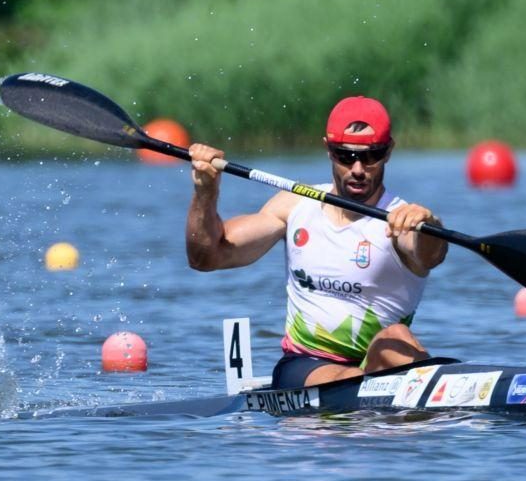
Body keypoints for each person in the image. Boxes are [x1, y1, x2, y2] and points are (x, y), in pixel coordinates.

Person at [185, 96, 447, 389]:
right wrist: (205, 191)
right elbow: (206, 257)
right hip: (304, 367)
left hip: (378, 364)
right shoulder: (295, 206)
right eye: (345, 156)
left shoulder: (401, 221)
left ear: (388, 152)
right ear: (328, 150)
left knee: (396, 336)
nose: (358, 168)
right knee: (358, 377)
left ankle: (432, 388)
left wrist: (429, 225)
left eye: (371, 156)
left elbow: (431, 255)